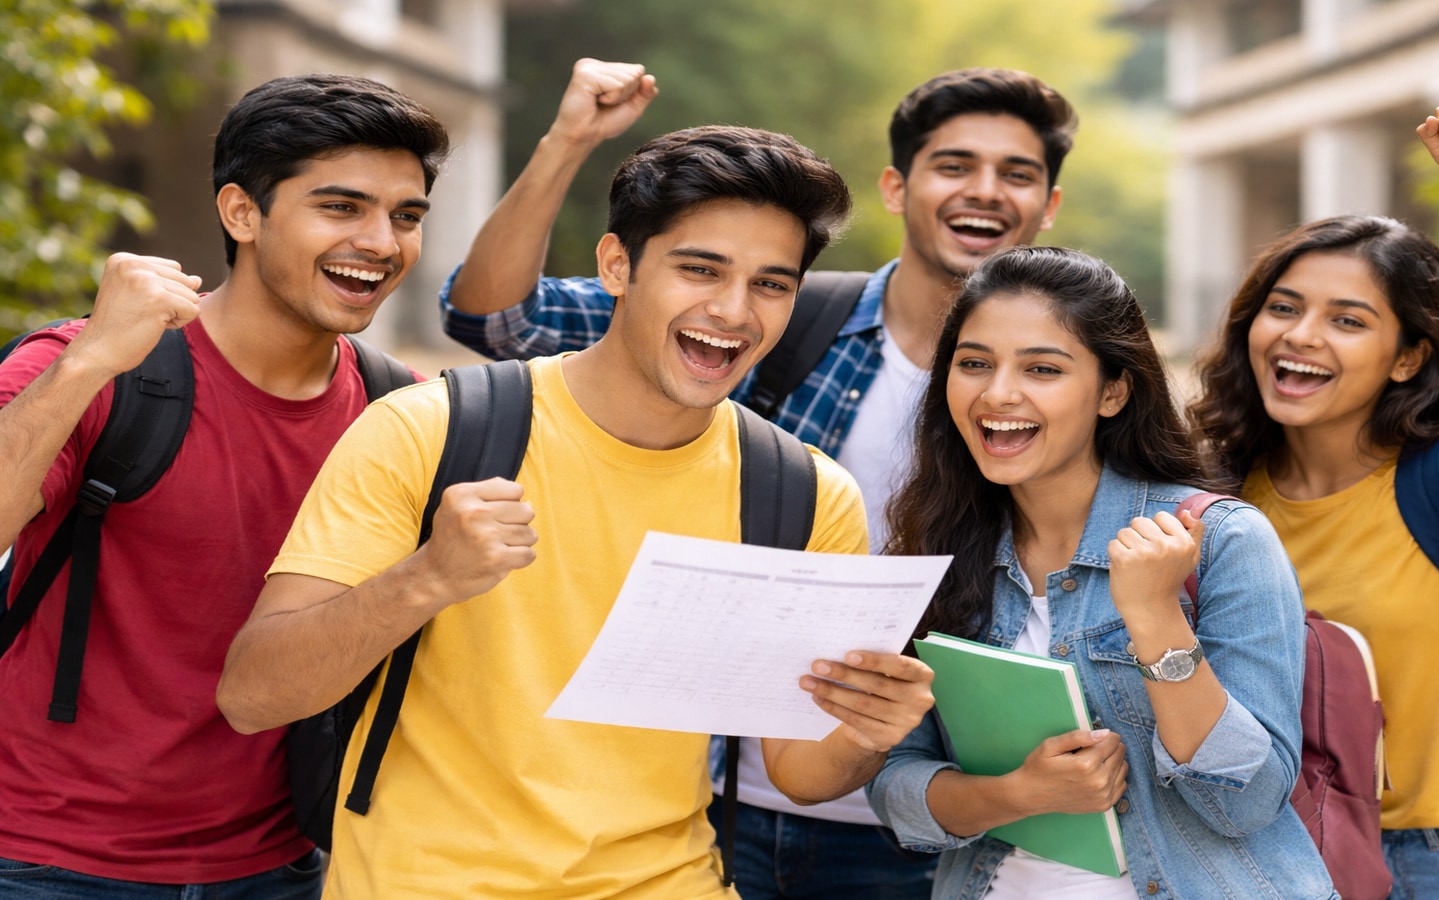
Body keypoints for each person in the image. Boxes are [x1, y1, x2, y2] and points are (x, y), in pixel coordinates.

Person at [215, 123, 938, 899]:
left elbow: (798, 772)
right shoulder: (431, 428)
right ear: (616, 265)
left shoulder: (804, 493)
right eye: (700, 269)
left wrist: (869, 729)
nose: (733, 311)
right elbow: (254, 697)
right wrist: (426, 578)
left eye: (771, 283)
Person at [437, 56, 1075, 898]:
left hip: (925, 806)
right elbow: (494, 319)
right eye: (954, 165)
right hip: (720, 796)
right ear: (896, 186)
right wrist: (570, 140)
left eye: (1016, 174)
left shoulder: (1059, 381)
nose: (984, 191)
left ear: (1049, 205)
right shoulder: (779, 313)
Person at [0, 75, 448, 896]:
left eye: (406, 215)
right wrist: (93, 360)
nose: (382, 242)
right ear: (242, 213)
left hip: (283, 865)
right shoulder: (88, 368)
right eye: (341, 207)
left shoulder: (407, 413)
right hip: (45, 860)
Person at [1188, 106, 1439, 897]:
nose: (1301, 336)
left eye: (1348, 321)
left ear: (1409, 357)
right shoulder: (1227, 508)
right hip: (1308, 856)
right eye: (1284, 308)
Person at [868, 245, 1335, 898]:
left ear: (1113, 390)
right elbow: (895, 786)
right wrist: (1012, 795)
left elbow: (1245, 804)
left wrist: (1155, 617)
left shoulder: (1221, 540)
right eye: (974, 363)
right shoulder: (938, 546)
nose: (998, 393)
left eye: (1042, 368)